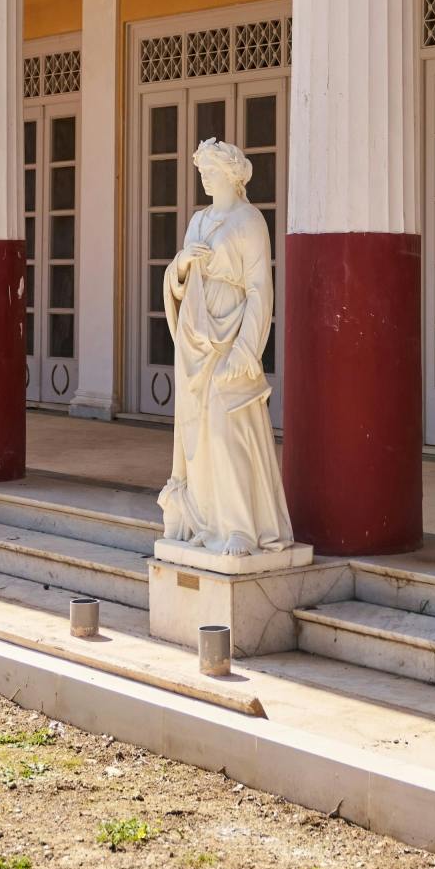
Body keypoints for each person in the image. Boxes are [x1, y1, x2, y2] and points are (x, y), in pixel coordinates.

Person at [157, 138, 296, 556]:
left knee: (228, 431)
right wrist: (179, 266)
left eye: (210, 170)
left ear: (232, 175)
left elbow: (259, 290)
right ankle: (204, 519)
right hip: (193, 340)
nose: (204, 176)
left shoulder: (249, 221)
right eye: (201, 170)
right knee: (195, 435)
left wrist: (246, 349)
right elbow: (177, 278)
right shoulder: (198, 221)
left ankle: (240, 526)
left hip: (231, 334)